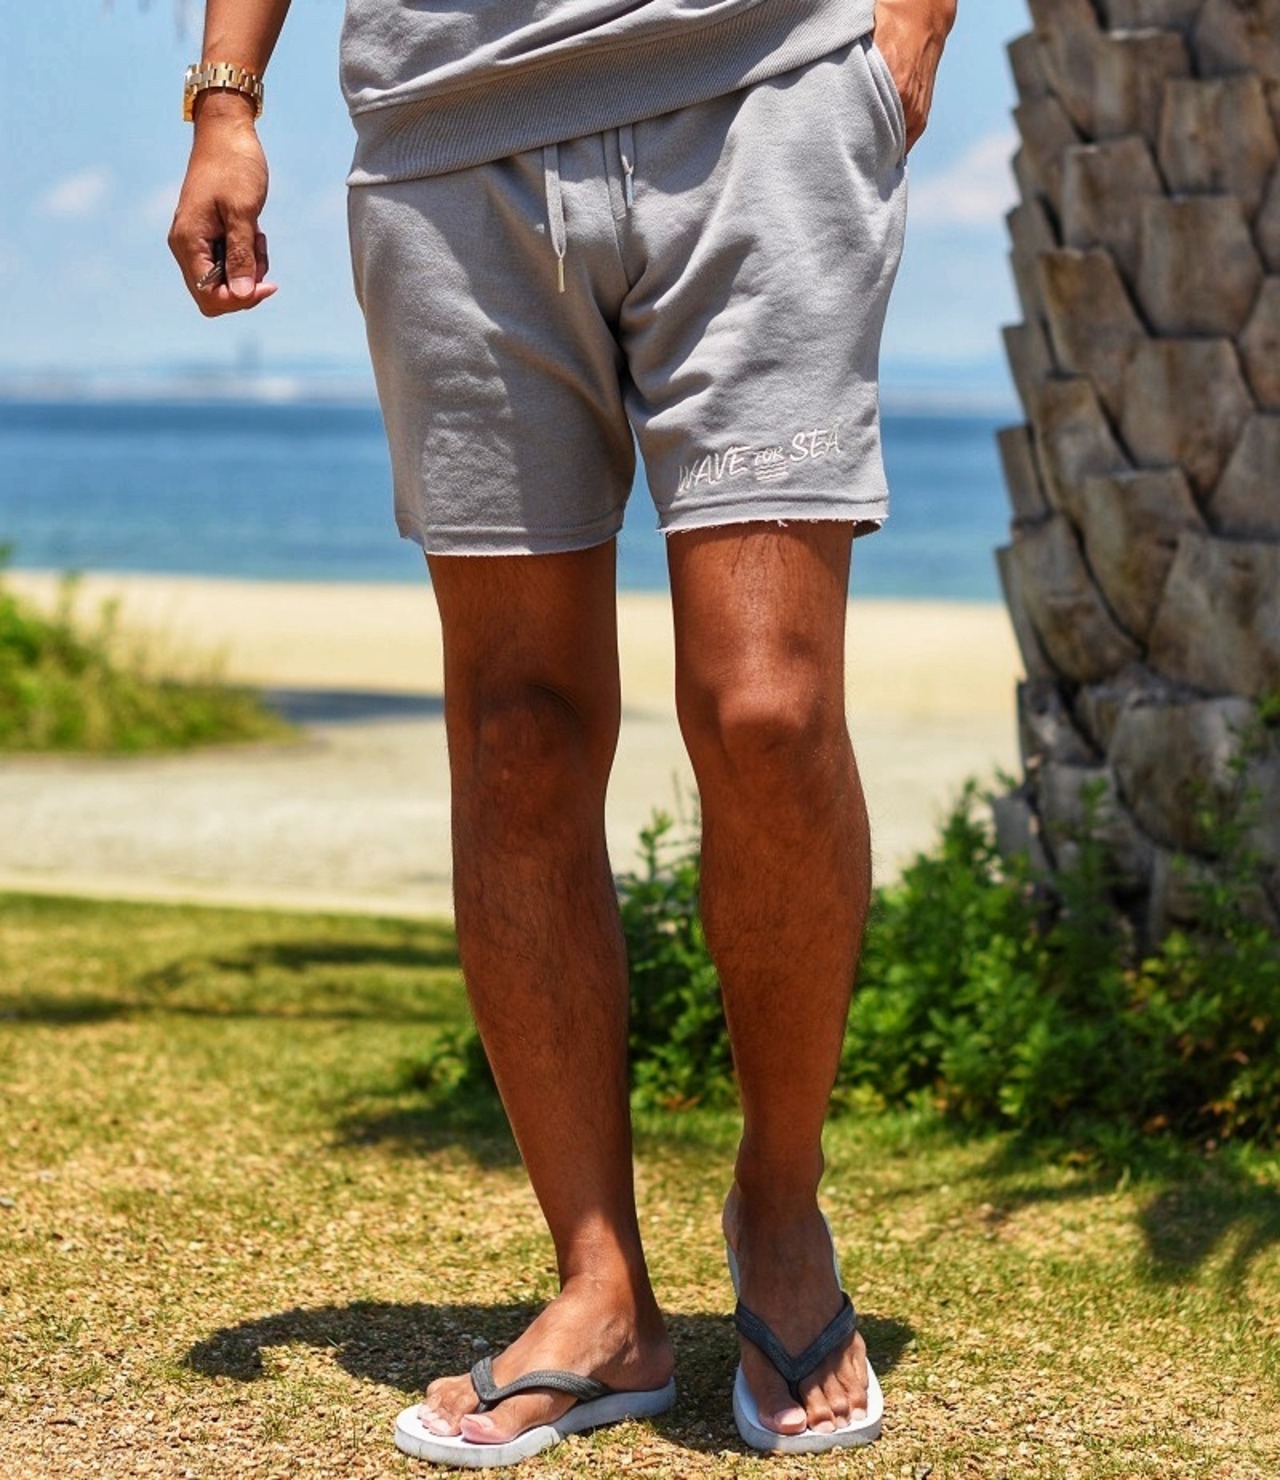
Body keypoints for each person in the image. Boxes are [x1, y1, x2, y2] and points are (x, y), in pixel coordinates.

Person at [171, 0, 955, 1463]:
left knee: (771, 712)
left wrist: (915, 20)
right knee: (519, 733)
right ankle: (601, 1291)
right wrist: (228, 99)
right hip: (450, 134)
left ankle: (782, 1207)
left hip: (759, 90)